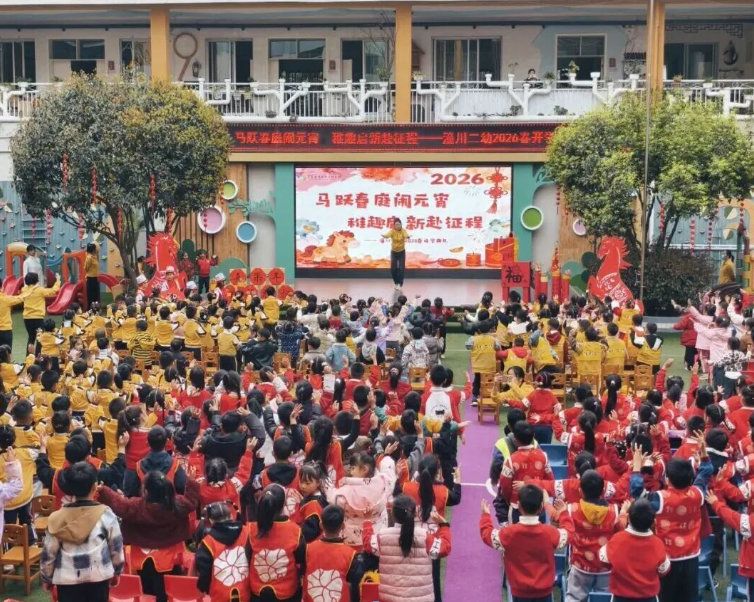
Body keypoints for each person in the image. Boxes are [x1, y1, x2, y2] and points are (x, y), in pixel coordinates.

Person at [40, 462, 124, 602]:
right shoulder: (106, 515)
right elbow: (116, 548)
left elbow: (49, 553)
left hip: (67, 580)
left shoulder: (56, 518)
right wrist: (117, 571)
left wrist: (46, 577)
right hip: (99, 577)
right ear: (94, 487)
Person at [480, 484, 573, 602]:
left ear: (519, 506)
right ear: (541, 508)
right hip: (544, 594)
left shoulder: (509, 533)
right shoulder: (550, 533)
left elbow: (487, 535)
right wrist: (564, 514)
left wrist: (486, 516)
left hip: (520, 593)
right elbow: (569, 533)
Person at [362, 494, 451, 602]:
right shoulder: (425, 537)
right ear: (415, 513)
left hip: (390, 598)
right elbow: (444, 548)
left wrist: (367, 522)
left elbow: (368, 544)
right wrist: (444, 525)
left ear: (393, 513)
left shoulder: (382, 536)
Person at [599, 499, 670, 602]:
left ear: (628, 518)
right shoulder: (657, 544)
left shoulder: (617, 539)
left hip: (620, 598)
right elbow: (663, 570)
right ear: (653, 523)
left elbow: (603, 560)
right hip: (648, 598)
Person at [21, 270, 61, 350]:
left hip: (27, 318)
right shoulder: (40, 290)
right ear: (37, 281)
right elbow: (53, 291)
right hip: (37, 318)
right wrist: (58, 280)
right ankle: (38, 355)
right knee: (40, 338)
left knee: (31, 338)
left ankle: (29, 356)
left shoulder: (24, 290)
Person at [382, 218, 410, 290]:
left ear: (401, 225)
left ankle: (400, 284)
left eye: (399, 224)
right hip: (394, 252)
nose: (397, 226)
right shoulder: (392, 231)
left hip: (401, 252)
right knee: (393, 269)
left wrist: (407, 237)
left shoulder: (403, 231)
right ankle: (396, 283)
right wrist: (385, 236)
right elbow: (388, 235)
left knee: (401, 268)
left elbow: (406, 235)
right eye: (396, 224)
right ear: (394, 225)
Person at [84, 243, 100, 310]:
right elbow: (86, 268)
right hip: (90, 278)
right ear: (93, 250)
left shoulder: (94, 257)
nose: (96, 250)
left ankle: (96, 308)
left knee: (96, 294)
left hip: (95, 277)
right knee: (91, 295)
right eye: (95, 249)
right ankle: (90, 308)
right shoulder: (89, 258)